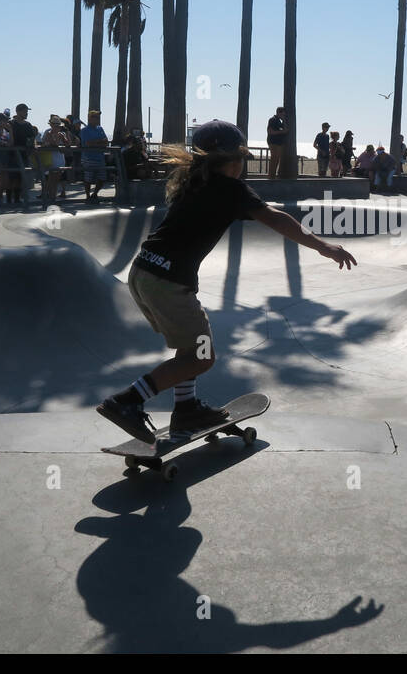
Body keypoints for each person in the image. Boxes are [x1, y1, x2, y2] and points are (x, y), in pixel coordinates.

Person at [95, 120, 357, 445]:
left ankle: (186, 408)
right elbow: (276, 218)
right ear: (235, 161)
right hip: (167, 281)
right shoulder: (230, 189)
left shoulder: (193, 182)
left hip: (144, 272)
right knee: (203, 356)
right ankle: (127, 401)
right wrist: (324, 246)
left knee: (192, 347)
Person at [8, 103, 38, 204]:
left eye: (27, 111)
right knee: (11, 177)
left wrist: (32, 147)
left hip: (24, 155)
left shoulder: (28, 125)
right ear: (18, 111)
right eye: (25, 111)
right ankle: (9, 199)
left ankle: (17, 198)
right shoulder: (10, 123)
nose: (26, 113)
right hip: (11, 155)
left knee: (21, 177)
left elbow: (32, 138)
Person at [40, 115, 71, 209]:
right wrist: (57, 138)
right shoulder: (47, 133)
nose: (57, 127)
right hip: (50, 158)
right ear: (52, 125)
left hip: (59, 159)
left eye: (58, 125)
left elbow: (68, 144)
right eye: (55, 125)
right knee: (50, 180)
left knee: (55, 180)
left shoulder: (62, 134)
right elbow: (52, 143)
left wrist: (65, 138)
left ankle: (52, 198)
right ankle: (50, 198)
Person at [80, 110, 109, 203]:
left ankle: (95, 193)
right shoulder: (84, 130)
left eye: (98, 117)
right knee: (88, 178)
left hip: (100, 157)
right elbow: (88, 143)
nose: (97, 119)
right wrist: (100, 142)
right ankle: (88, 196)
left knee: (103, 178)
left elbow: (106, 142)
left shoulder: (100, 129)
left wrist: (96, 142)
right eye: (95, 117)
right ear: (90, 118)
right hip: (88, 157)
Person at [266, 107, 287, 179]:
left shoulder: (280, 121)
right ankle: (271, 176)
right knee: (274, 158)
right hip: (273, 142)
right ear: (278, 112)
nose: (283, 116)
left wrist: (284, 120)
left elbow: (286, 130)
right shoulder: (272, 120)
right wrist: (281, 132)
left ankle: (273, 175)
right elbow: (270, 131)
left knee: (277, 159)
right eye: (283, 114)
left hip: (279, 142)